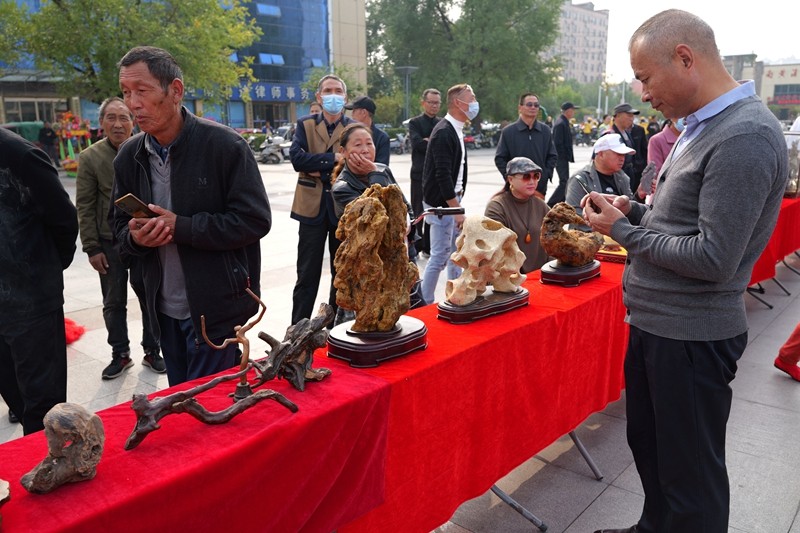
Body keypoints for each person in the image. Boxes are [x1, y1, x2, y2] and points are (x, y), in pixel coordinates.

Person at [584, 10, 788, 533]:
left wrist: (624, 232)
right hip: (660, 324)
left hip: (691, 335)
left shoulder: (744, 135)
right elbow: (681, 224)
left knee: (690, 474)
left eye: (646, 78)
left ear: (684, 59)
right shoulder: (702, 126)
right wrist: (634, 212)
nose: (644, 93)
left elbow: (714, 258)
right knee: (654, 449)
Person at [111, 46, 271, 387]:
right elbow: (117, 229)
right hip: (162, 307)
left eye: (142, 91)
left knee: (209, 405)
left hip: (216, 309)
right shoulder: (128, 157)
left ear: (175, 91)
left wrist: (182, 227)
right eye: (126, 92)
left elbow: (255, 220)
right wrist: (136, 239)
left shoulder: (225, 147)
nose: (132, 103)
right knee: (180, 402)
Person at [76, 97, 166, 380]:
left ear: (133, 122)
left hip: (141, 239)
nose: (118, 124)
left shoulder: (145, 149)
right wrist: (92, 247)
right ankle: (120, 353)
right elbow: (85, 205)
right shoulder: (90, 157)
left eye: (124, 117)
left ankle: (153, 350)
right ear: (101, 123)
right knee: (114, 301)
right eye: (111, 118)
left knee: (149, 296)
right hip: (108, 243)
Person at [0, 127, 79, 434]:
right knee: (15, 395)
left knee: (44, 407)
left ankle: (49, 457)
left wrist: (42, 271)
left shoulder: (19, 155)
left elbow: (64, 219)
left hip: (32, 301)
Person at [288, 74, 353, 324]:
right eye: (328, 90)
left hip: (341, 210)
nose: (333, 95)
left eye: (338, 91)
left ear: (345, 97)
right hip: (310, 209)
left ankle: (334, 326)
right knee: (306, 274)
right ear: (319, 96)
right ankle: (297, 329)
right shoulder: (305, 125)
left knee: (341, 273)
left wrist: (317, 169)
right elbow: (297, 160)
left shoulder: (353, 128)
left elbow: (352, 164)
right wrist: (333, 160)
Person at [420, 83, 476, 304]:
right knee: (440, 256)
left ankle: (456, 295)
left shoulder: (456, 129)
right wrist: (456, 210)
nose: (475, 103)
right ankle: (424, 302)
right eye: (471, 99)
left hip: (452, 201)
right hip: (443, 205)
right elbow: (442, 175)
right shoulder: (444, 132)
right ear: (458, 103)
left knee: (456, 253)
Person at [485, 157, 550, 273]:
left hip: (541, 275)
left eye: (536, 176)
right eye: (526, 177)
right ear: (510, 179)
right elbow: (495, 249)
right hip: (510, 277)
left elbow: (554, 241)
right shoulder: (497, 207)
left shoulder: (541, 205)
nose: (532, 181)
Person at [331, 123, 409, 219]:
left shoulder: (383, 169)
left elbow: (406, 207)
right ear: (343, 151)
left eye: (369, 143)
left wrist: (410, 224)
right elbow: (375, 217)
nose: (365, 150)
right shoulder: (341, 188)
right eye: (358, 145)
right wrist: (374, 174)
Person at [494, 93, 558, 201]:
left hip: (539, 187)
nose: (533, 107)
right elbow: (500, 158)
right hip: (516, 189)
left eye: (536, 105)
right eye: (529, 104)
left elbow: (552, 156)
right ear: (520, 107)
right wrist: (511, 179)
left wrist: (545, 175)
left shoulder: (545, 131)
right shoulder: (508, 132)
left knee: (538, 211)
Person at [565, 133, 638, 215]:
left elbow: (631, 209)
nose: (622, 158)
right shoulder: (581, 179)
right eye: (618, 154)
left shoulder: (622, 177)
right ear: (600, 154)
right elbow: (573, 214)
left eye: (624, 155)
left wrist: (639, 195)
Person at [408, 88, 442, 256]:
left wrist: (428, 141)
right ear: (423, 103)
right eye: (431, 102)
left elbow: (442, 146)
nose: (434, 106)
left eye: (437, 103)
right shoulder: (414, 123)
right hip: (419, 174)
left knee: (433, 211)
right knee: (417, 211)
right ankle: (416, 244)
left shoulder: (442, 123)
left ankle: (429, 246)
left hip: (436, 176)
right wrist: (433, 143)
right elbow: (417, 144)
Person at [609, 102, 648, 193]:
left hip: (630, 173)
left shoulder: (626, 133)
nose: (632, 118)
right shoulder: (610, 134)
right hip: (617, 176)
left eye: (633, 116)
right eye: (629, 115)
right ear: (618, 115)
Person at [345, 95, 390, 165]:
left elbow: (382, 167)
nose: (352, 115)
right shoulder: (348, 134)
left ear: (363, 112)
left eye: (354, 111)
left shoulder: (382, 138)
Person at [549, 102, 576, 206]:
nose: (573, 113)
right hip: (560, 157)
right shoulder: (560, 123)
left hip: (563, 157)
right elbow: (557, 143)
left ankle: (561, 203)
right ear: (568, 111)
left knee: (565, 182)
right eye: (572, 110)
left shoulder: (564, 122)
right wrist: (562, 156)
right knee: (564, 182)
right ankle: (551, 204)